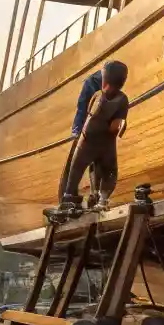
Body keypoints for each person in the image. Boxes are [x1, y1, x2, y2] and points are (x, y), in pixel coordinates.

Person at [57, 60, 130, 214]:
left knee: (106, 165)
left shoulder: (121, 99)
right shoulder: (93, 86)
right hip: (90, 132)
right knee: (80, 160)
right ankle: (70, 196)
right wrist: (78, 132)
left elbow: (118, 123)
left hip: (104, 136)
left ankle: (97, 196)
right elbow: (84, 110)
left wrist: (118, 127)